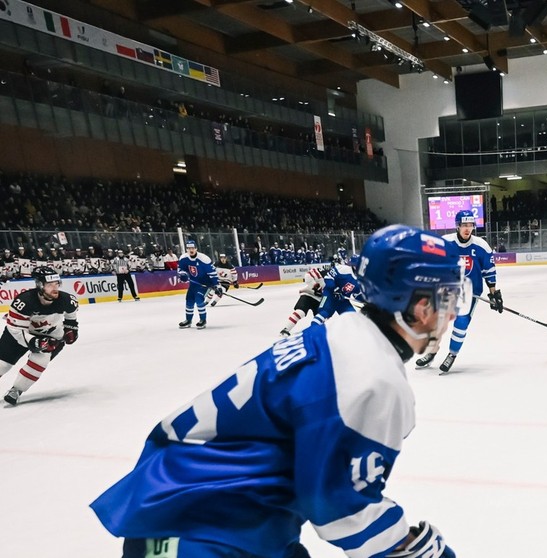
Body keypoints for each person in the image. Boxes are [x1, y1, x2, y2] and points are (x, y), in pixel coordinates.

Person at [90, 224, 461, 558]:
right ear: (422, 306)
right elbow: (338, 510)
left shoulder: (341, 335)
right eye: (448, 298)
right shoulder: (371, 377)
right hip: (200, 530)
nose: (452, 311)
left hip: (206, 514)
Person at [416, 210, 502, 374]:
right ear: (457, 226)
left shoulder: (481, 245)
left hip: (470, 293)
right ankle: (432, 352)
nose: (467, 228)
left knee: (461, 323)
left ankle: (452, 354)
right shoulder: (445, 242)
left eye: (470, 225)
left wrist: (494, 293)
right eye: (464, 225)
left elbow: (489, 270)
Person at [0, 266, 79, 406]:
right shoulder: (24, 302)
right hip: (19, 334)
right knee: (2, 365)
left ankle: (16, 390)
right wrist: (34, 342)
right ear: (40, 286)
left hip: (50, 334)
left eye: (57, 284)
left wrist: (71, 329)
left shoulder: (67, 300)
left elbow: (71, 317)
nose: (55, 288)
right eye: (50, 285)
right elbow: (16, 330)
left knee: (41, 360)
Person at [176, 240, 223, 329]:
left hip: (204, 284)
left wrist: (217, 285)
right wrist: (183, 275)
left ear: (196, 248)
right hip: (194, 284)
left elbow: (212, 273)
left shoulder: (204, 259)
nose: (191, 250)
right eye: (189, 248)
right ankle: (188, 320)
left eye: (193, 248)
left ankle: (203, 320)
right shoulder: (183, 258)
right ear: (187, 249)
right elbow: (180, 270)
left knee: (199, 299)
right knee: (189, 300)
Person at [313, 255, 364, 326]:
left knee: (353, 317)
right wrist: (334, 288)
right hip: (329, 295)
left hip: (342, 300)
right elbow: (328, 277)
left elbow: (357, 295)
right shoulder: (343, 269)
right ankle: (313, 331)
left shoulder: (360, 280)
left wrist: (366, 301)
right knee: (323, 313)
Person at [278, 266, 326, 337]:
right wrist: (315, 286)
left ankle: (317, 332)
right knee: (300, 312)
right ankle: (285, 329)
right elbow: (308, 276)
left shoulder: (336, 282)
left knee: (321, 316)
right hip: (308, 295)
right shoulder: (321, 273)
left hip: (320, 300)